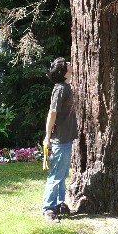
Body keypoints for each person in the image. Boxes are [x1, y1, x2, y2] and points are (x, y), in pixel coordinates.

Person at [41, 57, 77, 224]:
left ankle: (59, 204)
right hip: (59, 140)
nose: (71, 63)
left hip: (66, 139)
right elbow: (52, 113)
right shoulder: (60, 89)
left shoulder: (66, 87)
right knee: (56, 175)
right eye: (67, 64)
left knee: (62, 174)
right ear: (64, 71)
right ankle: (48, 208)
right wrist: (47, 137)